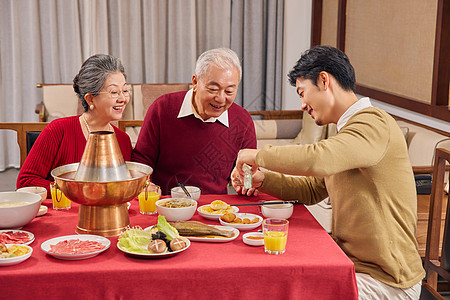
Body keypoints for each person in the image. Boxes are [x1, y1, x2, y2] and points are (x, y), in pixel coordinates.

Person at [231, 46, 425, 299]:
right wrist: (264, 179)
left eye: (302, 93)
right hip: (353, 266)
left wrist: (256, 155)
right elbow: (313, 189)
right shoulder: (348, 131)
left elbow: (319, 159)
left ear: (324, 80)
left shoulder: (373, 123)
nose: (302, 105)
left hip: (387, 281)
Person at [132, 48, 256, 195]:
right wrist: (146, 185)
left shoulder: (242, 120)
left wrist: (248, 183)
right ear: (195, 82)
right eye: (213, 89)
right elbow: (141, 160)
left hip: (214, 208)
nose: (221, 99)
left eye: (229, 91)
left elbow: (250, 170)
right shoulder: (163, 108)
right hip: (166, 204)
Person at [17, 54, 133, 198]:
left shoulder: (123, 140)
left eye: (125, 90)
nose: (122, 99)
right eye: (114, 92)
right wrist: (75, 191)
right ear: (90, 98)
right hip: (64, 216)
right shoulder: (58, 130)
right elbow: (26, 181)